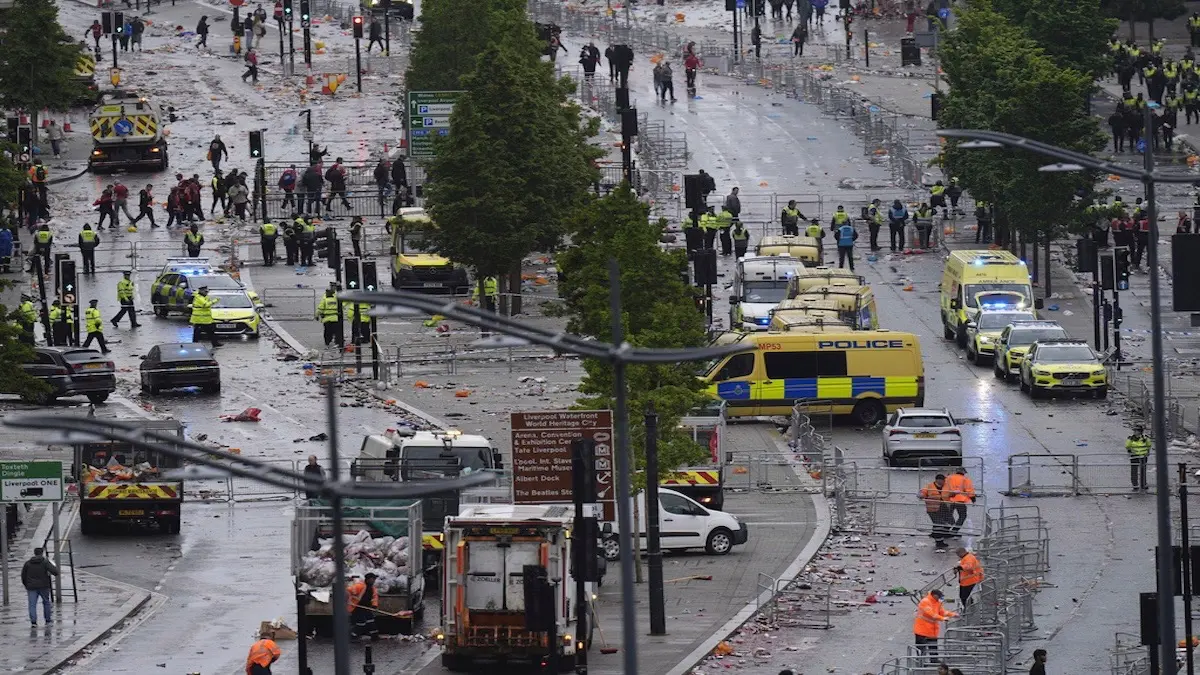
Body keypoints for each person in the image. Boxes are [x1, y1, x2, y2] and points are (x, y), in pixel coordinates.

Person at [913, 589, 956, 660]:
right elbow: (932, 614)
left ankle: (934, 660)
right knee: (921, 648)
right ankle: (921, 662)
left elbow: (942, 612)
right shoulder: (925, 602)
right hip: (922, 629)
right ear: (935, 595)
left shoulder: (937, 602)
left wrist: (953, 614)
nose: (940, 598)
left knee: (933, 646)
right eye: (939, 596)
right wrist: (943, 618)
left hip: (931, 630)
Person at [21, 548, 58, 626]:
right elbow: (55, 572)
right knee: (46, 602)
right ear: (42, 553)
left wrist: (27, 585)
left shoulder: (28, 563)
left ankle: (33, 622)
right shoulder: (45, 562)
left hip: (31, 587)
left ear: (34, 553)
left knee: (32, 604)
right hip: (44, 586)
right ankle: (47, 621)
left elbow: (23, 576)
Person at [919, 474, 950, 550]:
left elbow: (949, 493)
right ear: (938, 480)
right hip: (933, 509)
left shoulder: (946, 486)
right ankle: (939, 541)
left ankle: (937, 536)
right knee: (938, 524)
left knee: (943, 524)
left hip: (943, 508)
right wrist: (921, 495)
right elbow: (922, 492)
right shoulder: (929, 486)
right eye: (942, 480)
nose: (944, 482)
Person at [348, 573, 381, 640]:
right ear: (368, 579)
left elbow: (374, 597)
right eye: (372, 579)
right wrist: (351, 598)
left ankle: (374, 635)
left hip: (366, 607)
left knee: (371, 620)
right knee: (361, 622)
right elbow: (348, 590)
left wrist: (374, 605)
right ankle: (353, 636)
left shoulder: (372, 588)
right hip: (357, 607)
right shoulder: (360, 586)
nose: (374, 581)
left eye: (374, 579)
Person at [943, 466, 974, 535]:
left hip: (948, 500)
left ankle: (945, 530)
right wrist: (973, 499)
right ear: (963, 472)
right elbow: (969, 491)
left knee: (948, 515)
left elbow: (943, 486)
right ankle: (954, 531)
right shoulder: (965, 479)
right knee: (962, 516)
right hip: (960, 501)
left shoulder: (949, 477)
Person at [1126, 425, 1150, 491]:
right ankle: (1135, 485)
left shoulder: (1145, 438)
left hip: (1143, 456)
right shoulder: (1131, 438)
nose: (1134, 432)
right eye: (1134, 431)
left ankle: (1143, 484)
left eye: (1136, 431)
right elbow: (1127, 446)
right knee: (1134, 471)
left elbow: (1149, 445)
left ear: (1140, 431)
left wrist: (1147, 452)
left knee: (1143, 471)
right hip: (1134, 456)